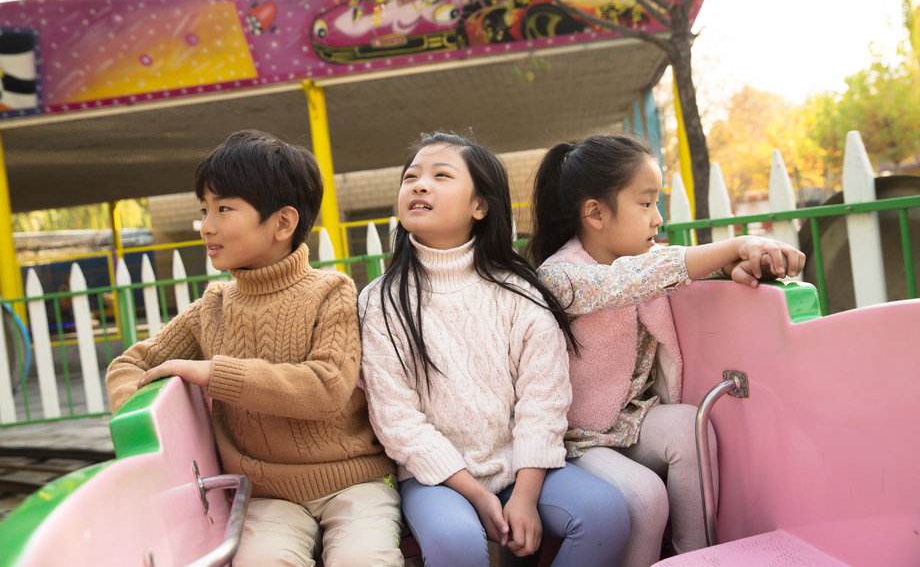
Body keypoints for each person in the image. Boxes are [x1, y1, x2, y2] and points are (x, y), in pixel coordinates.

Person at [105, 130, 403, 567]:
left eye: (223, 209)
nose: (207, 225)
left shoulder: (330, 291)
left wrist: (214, 373)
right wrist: (144, 429)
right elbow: (129, 364)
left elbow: (327, 388)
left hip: (354, 481)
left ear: (283, 223)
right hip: (265, 494)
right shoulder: (212, 307)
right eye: (204, 209)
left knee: (364, 559)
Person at [527, 135, 806, 567]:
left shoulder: (644, 257)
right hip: (576, 439)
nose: (658, 218)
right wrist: (735, 245)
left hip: (630, 420)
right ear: (595, 213)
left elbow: (673, 267)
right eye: (645, 203)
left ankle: (693, 558)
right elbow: (632, 280)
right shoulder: (561, 276)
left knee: (690, 427)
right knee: (646, 496)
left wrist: (732, 266)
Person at [358, 133, 630, 567]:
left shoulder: (520, 292)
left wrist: (525, 495)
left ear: (480, 206)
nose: (419, 184)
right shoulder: (380, 302)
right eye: (411, 177)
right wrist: (476, 493)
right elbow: (397, 419)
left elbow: (543, 400)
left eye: (441, 176)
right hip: (437, 479)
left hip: (522, 467)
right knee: (457, 541)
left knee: (605, 513)